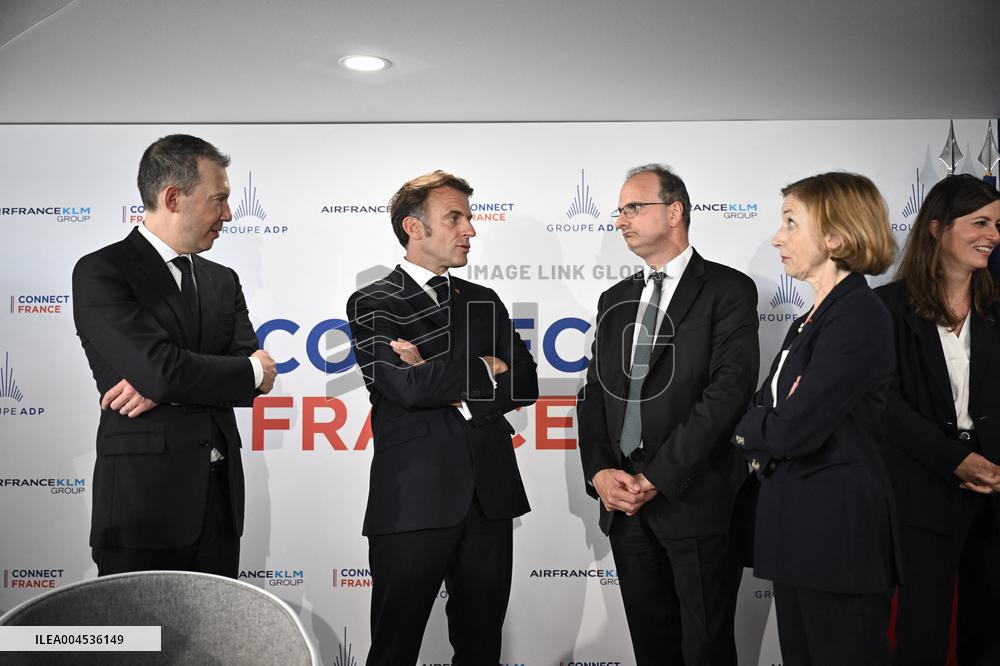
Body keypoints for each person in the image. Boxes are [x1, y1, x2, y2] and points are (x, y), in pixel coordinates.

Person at [346, 170, 538, 666]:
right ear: (414, 227)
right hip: (412, 499)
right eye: (455, 218)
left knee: (481, 650)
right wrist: (482, 367)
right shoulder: (373, 301)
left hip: (488, 498)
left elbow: (525, 383)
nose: (469, 229)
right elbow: (401, 388)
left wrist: (440, 374)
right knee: (394, 648)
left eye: (469, 218)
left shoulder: (483, 300)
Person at [576, 164, 759, 666]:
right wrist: (599, 472)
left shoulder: (728, 290)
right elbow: (594, 395)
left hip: (694, 498)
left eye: (634, 208)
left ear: (674, 211)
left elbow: (728, 394)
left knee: (706, 649)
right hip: (624, 507)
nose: (621, 221)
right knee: (651, 649)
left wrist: (657, 476)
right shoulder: (613, 299)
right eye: (619, 211)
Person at [72, 134, 276, 577]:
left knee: (214, 645)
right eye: (218, 199)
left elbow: (257, 383)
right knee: (139, 645)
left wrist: (172, 383)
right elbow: (169, 371)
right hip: (142, 506)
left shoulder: (223, 279)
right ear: (172, 198)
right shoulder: (102, 271)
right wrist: (239, 370)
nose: (227, 214)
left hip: (220, 505)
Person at [732, 172, 899, 665]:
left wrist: (753, 428)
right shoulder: (810, 318)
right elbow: (766, 409)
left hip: (837, 540)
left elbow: (789, 428)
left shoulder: (859, 315)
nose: (776, 237)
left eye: (790, 222)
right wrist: (764, 420)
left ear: (836, 237)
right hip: (796, 535)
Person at [874, 175, 1000, 665]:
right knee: (921, 631)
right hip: (921, 492)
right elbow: (884, 403)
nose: (992, 234)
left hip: (993, 489)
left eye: (997, 224)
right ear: (936, 228)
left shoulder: (995, 307)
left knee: (988, 629)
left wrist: (987, 466)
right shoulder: (887, 308)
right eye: (980, 222)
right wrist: (956, 460)